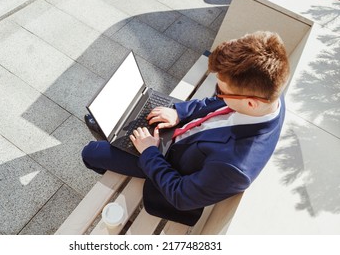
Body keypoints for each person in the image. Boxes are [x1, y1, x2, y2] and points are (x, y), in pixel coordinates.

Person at [82, 31, 290, 226]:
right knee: (128, 119)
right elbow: (213, 104)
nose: (217, 94)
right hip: (176, 133)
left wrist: (150, 153)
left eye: (221, 91)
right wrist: (179, 112)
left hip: (166, 160)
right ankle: (113, 132)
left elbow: (181, 195)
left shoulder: (234, 167)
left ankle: (113, 166)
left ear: (251, 103)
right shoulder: (269, 93)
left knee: (90, 152)